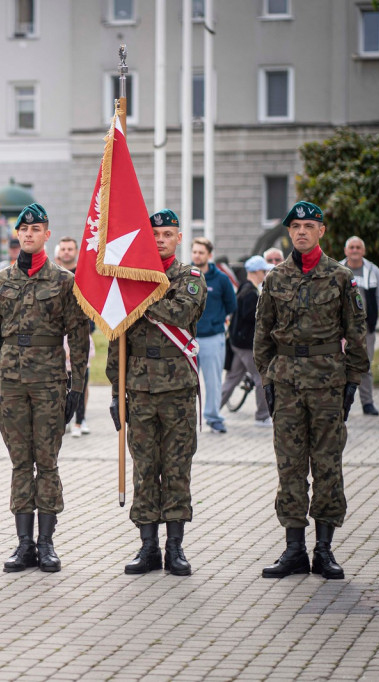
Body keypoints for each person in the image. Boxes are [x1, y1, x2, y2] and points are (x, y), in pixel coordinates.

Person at [254, 201, 368, 580]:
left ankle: (324, 550)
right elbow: (262, 335)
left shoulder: (340, 277)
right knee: (289, 467)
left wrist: (352, 383)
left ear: (321, 230)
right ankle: (293, 551)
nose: (301, 231)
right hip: (286, 384)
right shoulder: (275, 278)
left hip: (327, 383)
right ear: (289, 232)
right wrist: (268, 379)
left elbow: (356, 333)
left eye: (308, 225)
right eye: (295, 226)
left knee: (327, 466)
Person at [0, 203, 90, 574]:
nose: (29, 234)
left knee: (46, 462)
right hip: (10, 382)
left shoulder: (64, 280)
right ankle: (23, 544)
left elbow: (78, 336)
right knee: (19, 463)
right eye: (23, 229)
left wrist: (77, 386)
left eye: (36, 229)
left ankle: (47, 544)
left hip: (48, 381)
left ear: (47, 234)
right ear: (17, 234)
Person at [106, 209, 206, 577]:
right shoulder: (129, 281)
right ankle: (147, 547)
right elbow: (118, 340)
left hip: (178, 387)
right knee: (145, 468)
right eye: (155, 235)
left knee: (177, 468)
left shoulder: (190, 277)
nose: (161, 239)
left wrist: (140, 294)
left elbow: (179, 313)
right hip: (140, 388)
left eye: (167, 234)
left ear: (179, 238)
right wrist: (117, 393)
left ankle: (175, 548)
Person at [221, 256, 274, 426]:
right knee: (261, 378)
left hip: (237, 342)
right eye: (264, 271)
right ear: (257, 272)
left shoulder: (244, 287)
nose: (265, 274)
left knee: (232, 379)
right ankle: (262, 416)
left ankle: (211, 411)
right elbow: (254, 318)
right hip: (246, 345)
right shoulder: (250, 293)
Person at [192, 236, 236, 433]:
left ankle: (213, 417)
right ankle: (186, 419)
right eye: (194, 252)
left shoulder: (221, 279)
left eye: (201, 252)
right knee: (187, 382)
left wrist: (215, 322)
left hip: (212, 338)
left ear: (209, 255)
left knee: (213, 381)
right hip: (188, 339)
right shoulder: (187, 276)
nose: (197, 255)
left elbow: (231, 305)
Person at [54, 236, 92, 436]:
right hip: (59, 335)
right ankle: (64, 416)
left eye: (70, 248)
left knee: (81, 377)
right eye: (64, 249)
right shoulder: (55, 275)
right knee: (62, 378)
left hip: (81, 332)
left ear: (76, 251)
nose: (67, 252)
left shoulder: (85, 274)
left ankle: (81, 418)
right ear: (59, 252)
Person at [344, 237, 379, 416]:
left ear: (363, 251)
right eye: (351, 247)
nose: (354, 250)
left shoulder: (373, 270)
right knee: (339, 366)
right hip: (341, 330)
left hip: (365, 329)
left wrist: (367, 319)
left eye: (358, 247)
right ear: (346, 251)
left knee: (365, 366)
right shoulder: (338, 269)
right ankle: (339, 403)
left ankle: (367, 403)